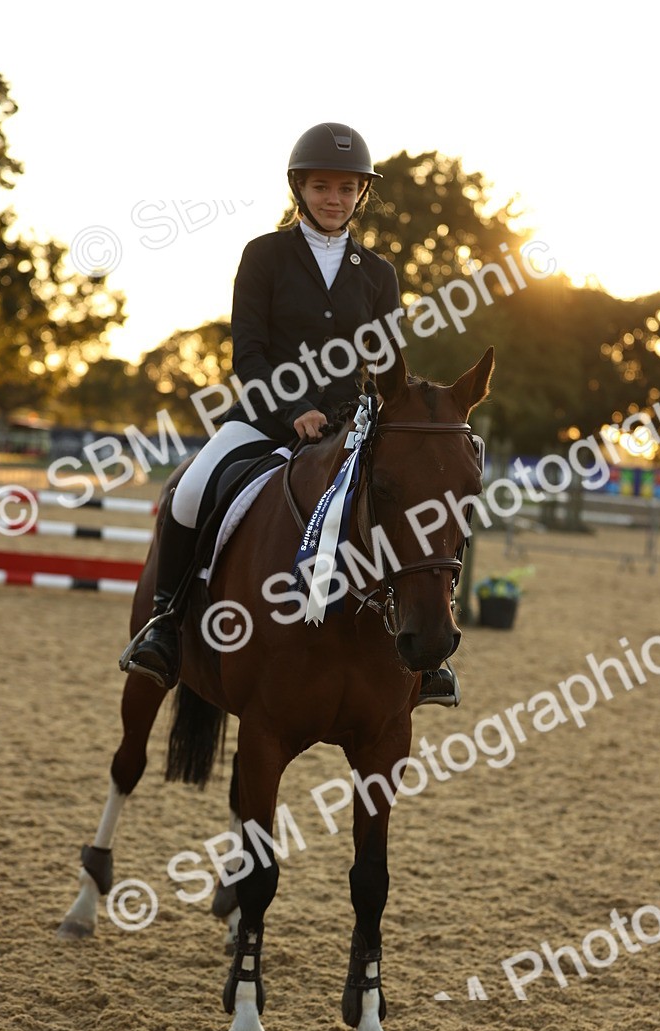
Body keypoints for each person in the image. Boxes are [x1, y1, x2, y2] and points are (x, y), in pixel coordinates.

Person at [123, 122, 460, 706]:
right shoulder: (265, 256)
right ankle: (165, 625)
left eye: (348, 188)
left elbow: (385, 362)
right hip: (262, 417)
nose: (335, 199)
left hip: (347, 425)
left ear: (361, 195)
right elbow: (249, 353)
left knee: (414, 498)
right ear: (299, 189)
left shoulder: (378, 274)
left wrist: (392, 413)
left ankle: (423, 656)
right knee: (189, 490)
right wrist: (294, 407)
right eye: (323, 187)